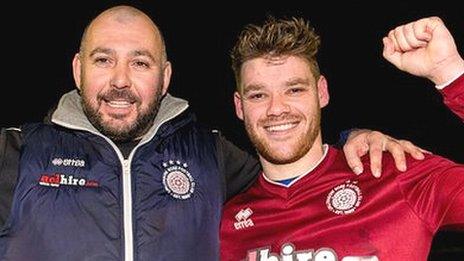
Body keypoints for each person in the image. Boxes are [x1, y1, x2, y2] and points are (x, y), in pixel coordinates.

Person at [0, 5, 424, 261]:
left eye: (141, 63)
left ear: (165, 78)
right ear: (78, 69)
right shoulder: (16, 152)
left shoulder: (211, 155)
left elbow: (289, 159)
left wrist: (353, 136)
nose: (121, 80)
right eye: (104, 60)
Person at [220, 16, 464, 261]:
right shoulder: (225, 225)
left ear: (322, 92)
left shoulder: (397, 174)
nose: (276, 108)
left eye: (294, 90)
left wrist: (451, 73)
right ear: (240, 107)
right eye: (258, 95)